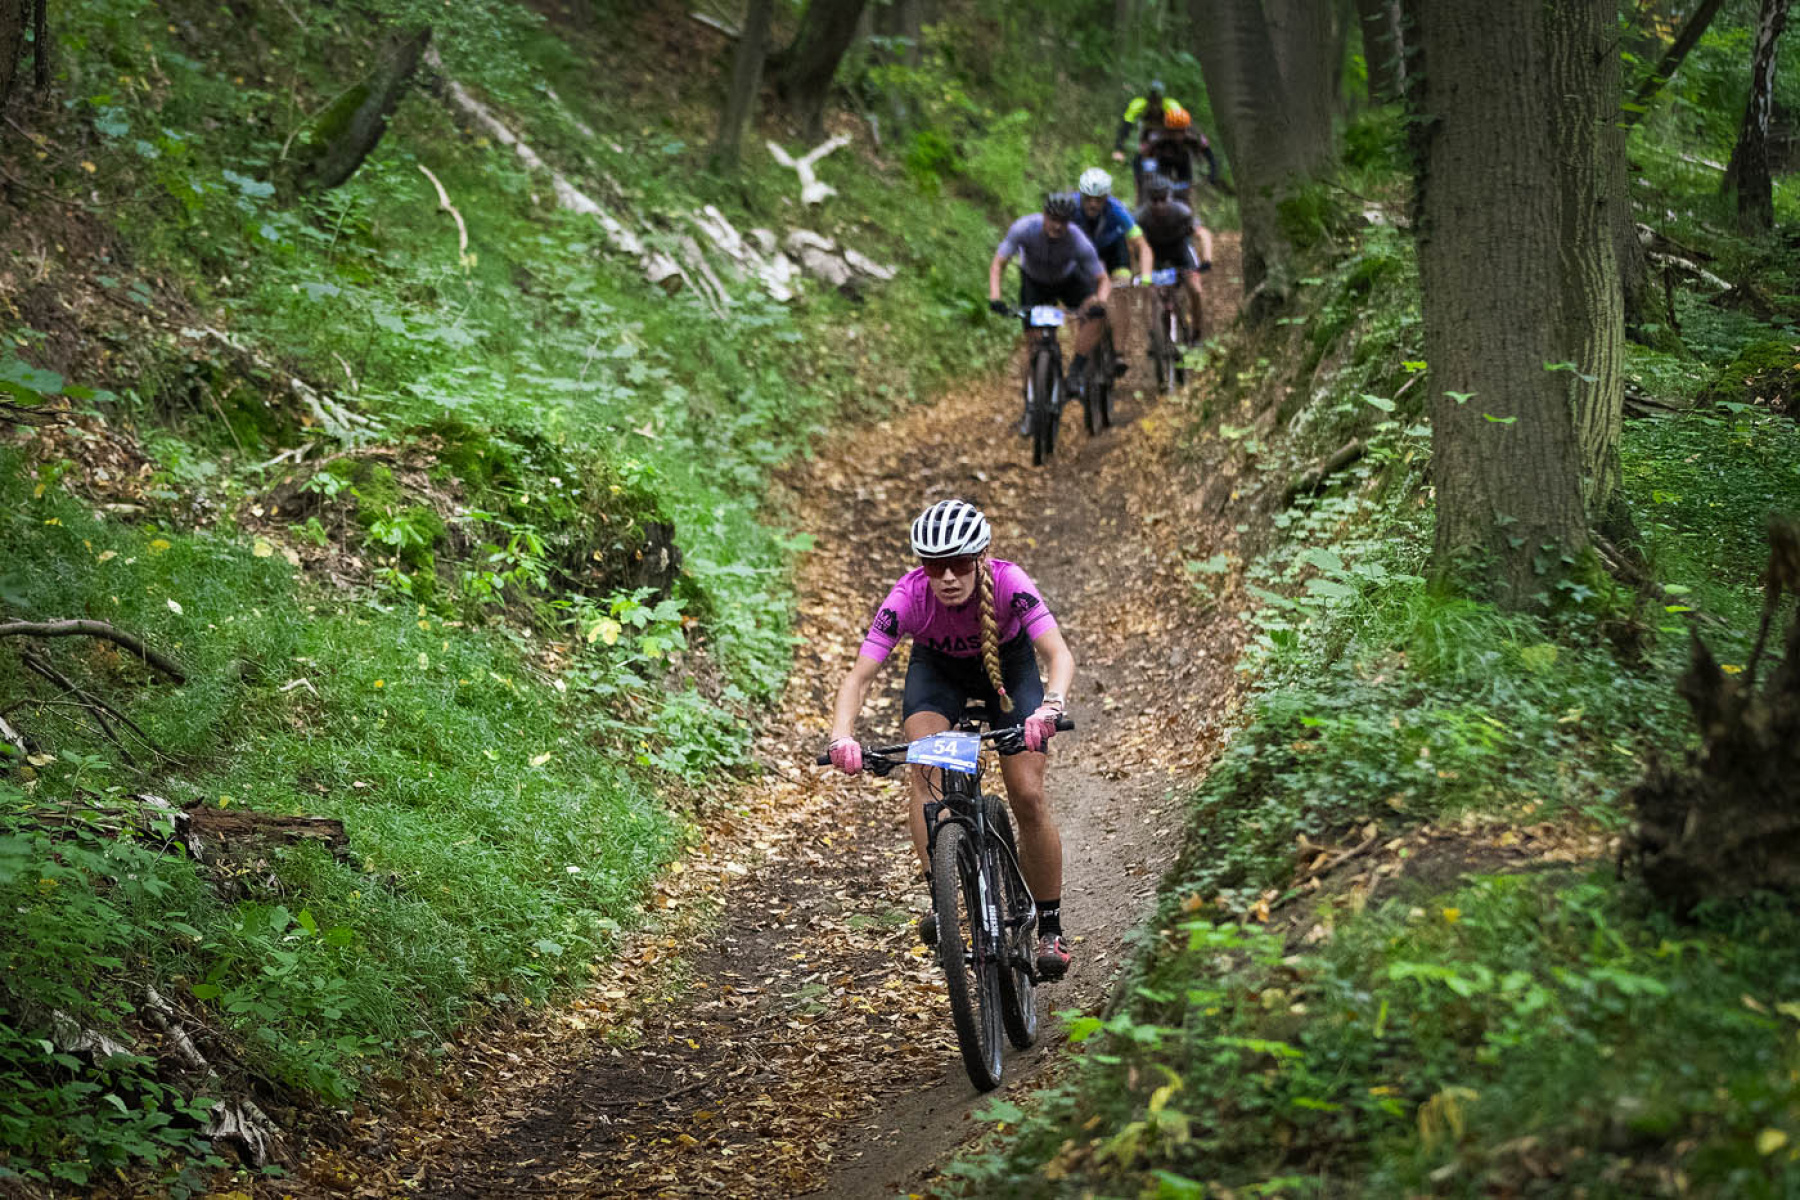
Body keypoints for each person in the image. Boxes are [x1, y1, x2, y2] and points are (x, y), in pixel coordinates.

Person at [826, 498, 1077, 979]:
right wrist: (842, 736)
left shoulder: (1009, 582)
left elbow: (1057, 653)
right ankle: (942, 901)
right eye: (934, 565)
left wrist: (1052, 704)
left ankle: (1050, 928)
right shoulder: (908, 597)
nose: (946, 577)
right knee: (927, 775)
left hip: (1008, 672)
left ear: (981, 558)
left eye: (959, 565)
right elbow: (859, 677)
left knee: (1027, 792)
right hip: (938, 678)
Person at [987, 192, 1113, 435]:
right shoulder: (1024, 229)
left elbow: (1102, 279)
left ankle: (1075, 372)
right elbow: (998, 263)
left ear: (1070, 222)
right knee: (1033, 345)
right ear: (1044, 215)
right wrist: (996, 298)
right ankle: (1031, 406)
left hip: (1068, 280)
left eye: (1063, 221)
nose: (1057, 225)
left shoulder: (1078, 240)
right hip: (1034, 283)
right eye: (1052, 218)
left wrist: (1100, 300)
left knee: (1096, 315)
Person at [1133, 174, 1214, 343]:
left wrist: (1206, 259)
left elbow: (1203, 234)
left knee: (1195, 289)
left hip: (1180, 251)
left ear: (1170, 197)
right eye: (1154, 200)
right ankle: (1153, 335)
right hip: (1154, 253)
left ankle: (1197, 332)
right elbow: (1134, 245)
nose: (1159, 205)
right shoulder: (1140, 217)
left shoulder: (1182, 211)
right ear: (1148, 200)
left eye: (1163, 199)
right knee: (1148, 291)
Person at [1111, 80, 1221, 196]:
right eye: (1152, 100)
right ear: (1148, 98)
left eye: (1157, 100)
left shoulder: (1171, 107)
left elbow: (1189, 127)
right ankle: (1141, 196)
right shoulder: (1139, 106)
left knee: (1186, 183)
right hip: (1154, 137)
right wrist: (1119, 149)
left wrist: (1212, 170)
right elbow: (1126, 127)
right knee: (1147, 167)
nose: (1155, 105)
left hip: (1175, 147)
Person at [1075, 167, 1151, 280]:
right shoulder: (1071, 206)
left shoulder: (1117, 209)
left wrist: (1146, 278)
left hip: (1112, 249)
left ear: (1106, 197)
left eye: (1098, 199)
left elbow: (1142, 245)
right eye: (1088, 199)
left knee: (1122, 280)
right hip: (1082, 250)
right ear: (1081, 195)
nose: (1093, 204)